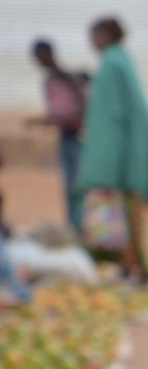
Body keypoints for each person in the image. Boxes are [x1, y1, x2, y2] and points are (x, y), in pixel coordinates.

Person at [75, 16, 148, 286]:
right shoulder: (122, 61)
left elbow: (113, 121)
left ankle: (133, 268)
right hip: (128, 160)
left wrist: (106, 165)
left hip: (118, 164)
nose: (91, 41)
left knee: (123, 219)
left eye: (95, 35)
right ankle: (134, 268)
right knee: (129, 217)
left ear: (107, 35)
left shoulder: (111, 63)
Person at [27, 39, 88, 230]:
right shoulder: (55, 80)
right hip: (68, 137)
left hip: (76, 137)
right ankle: (75, 227)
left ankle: (79, 228)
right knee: (71, 187)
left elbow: (67, 112)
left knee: (76, 187)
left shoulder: (64, 80)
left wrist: (43, 120)